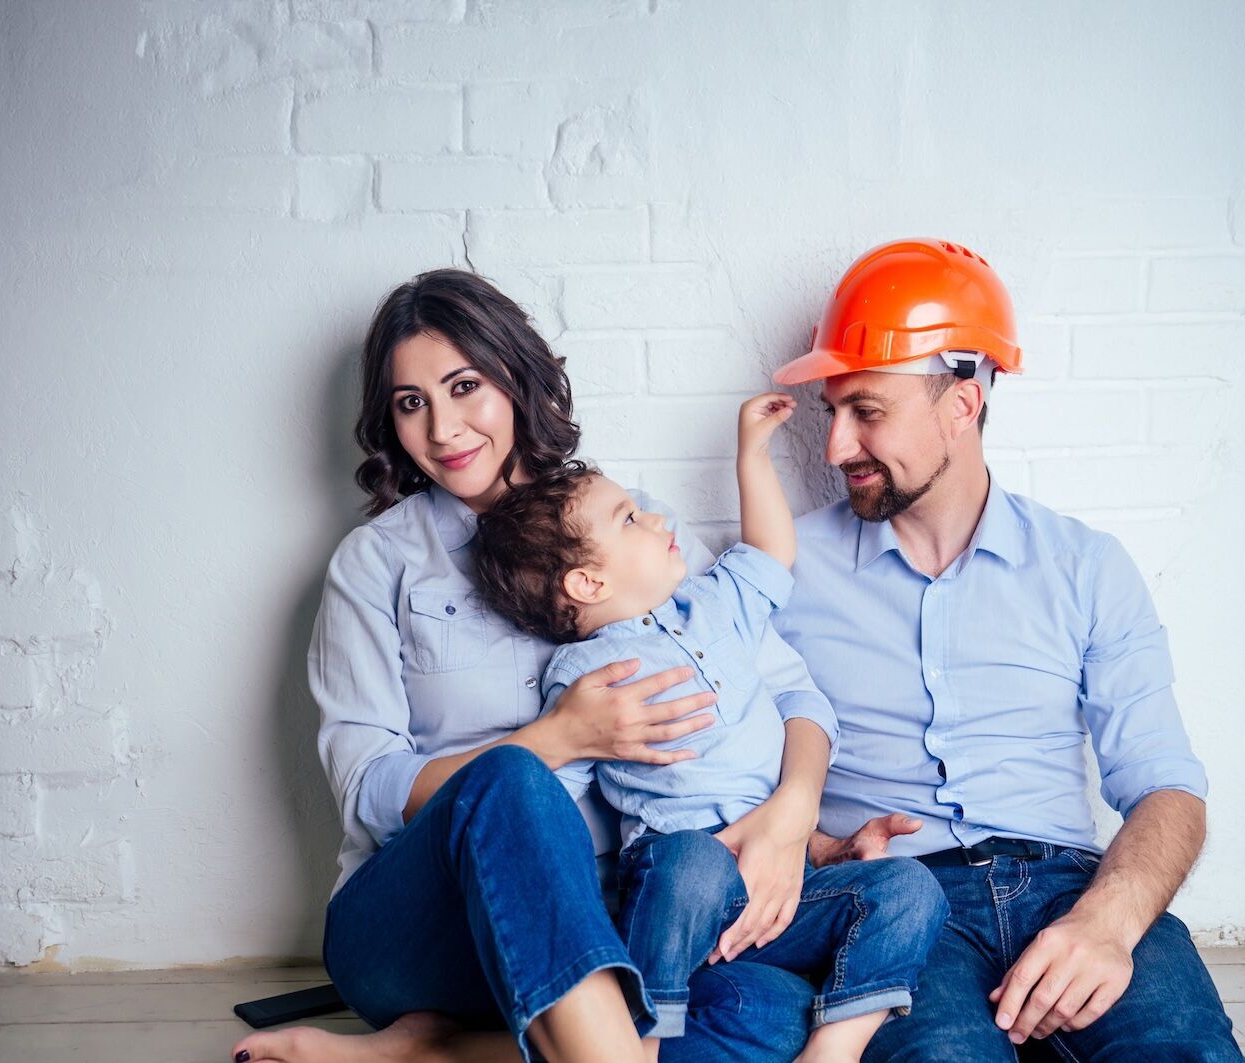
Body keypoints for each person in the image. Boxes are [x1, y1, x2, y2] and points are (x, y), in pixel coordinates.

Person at [231, 269, 825, 1063]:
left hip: (616, 915)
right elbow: (370, 790)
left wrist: (794, 814)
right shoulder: (375, 564)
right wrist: (560, 736)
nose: (443, 428)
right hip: (423, 931)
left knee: (773, 1009)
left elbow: (787, 687)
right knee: (516, 779)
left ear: (515, 376)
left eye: (464, 386)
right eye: (412, 403)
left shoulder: (629, 522)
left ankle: (441, 1054)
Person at [768, 238, 1245, 1061]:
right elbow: (720, 775)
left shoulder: (1085, 566)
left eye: (868, 412)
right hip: (899, 903)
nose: (834, 447)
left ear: (963, 403)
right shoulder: (779, 569)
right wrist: (820, 851)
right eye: (832, 411)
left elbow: (1168, 785)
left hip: (1072, 885)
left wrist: (1107, 921)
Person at [472, 393, 948, 1062]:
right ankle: (639, 1038)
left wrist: (750, 453)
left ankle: (836, 1046)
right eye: (630, 518)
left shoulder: (713, 601)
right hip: (676, 894)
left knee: (909, 888)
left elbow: (770, 551)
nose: (658, 517)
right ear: (586, 581)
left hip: (782, 887)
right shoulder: (585, 676)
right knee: (692, 858)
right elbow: (548, 798)